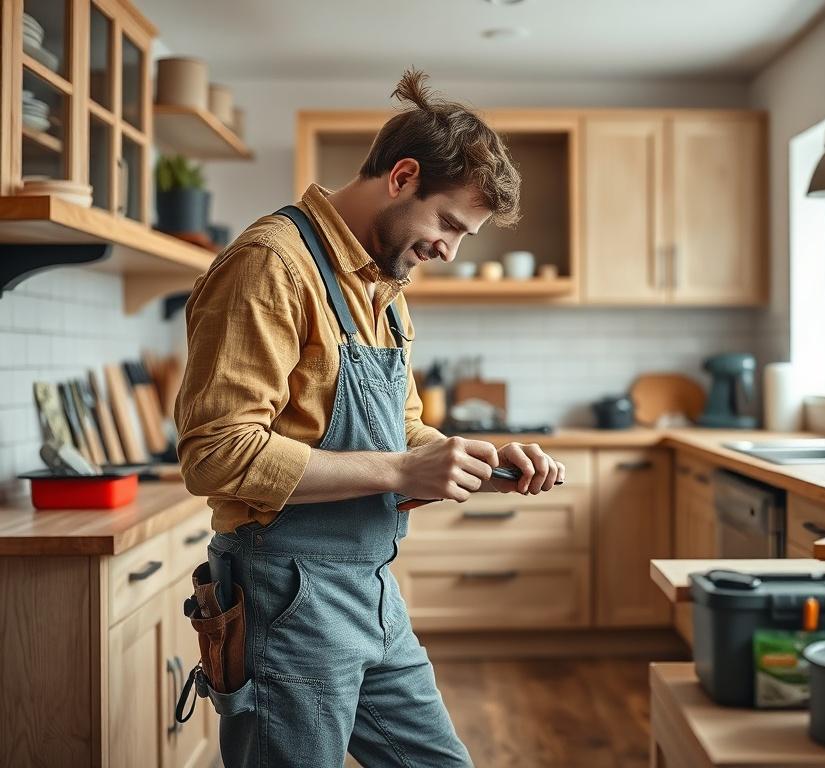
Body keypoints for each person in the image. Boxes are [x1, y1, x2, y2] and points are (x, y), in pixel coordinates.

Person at [175, 69, 565, 767]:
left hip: (370, 588)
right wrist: (403, 467)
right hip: (283, 598)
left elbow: (402, 432)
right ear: (403, 176)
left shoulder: (382, 283)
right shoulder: (271, 264)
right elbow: (216, 453)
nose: (450, 249)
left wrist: (475, 463)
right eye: (448, 223)